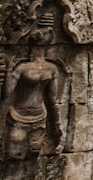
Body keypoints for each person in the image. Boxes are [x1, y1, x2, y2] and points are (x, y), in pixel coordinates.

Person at [2, 18, 63, 160]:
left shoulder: (52, 68)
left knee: (34, 155)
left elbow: (52, 100)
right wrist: (9, 70)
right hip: (18, 116)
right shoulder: (22, 68)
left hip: (40, 116)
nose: (36, 51)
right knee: (13, 155)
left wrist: (56, 124)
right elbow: (7, 94)